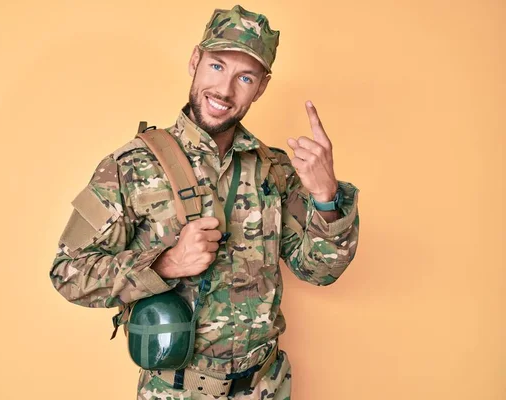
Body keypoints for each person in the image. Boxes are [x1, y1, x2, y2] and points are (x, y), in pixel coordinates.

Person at [49, 4, 360, 399]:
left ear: (261, 86)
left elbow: (319, 272)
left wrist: (326, 198)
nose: (225, 90)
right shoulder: (130, 166)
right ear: (195, 60)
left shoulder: (275, 169)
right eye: (216, 66)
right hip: (176, 391)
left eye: (244, 76)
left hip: (265, 387)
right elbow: (68, 273)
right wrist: (165, 264)